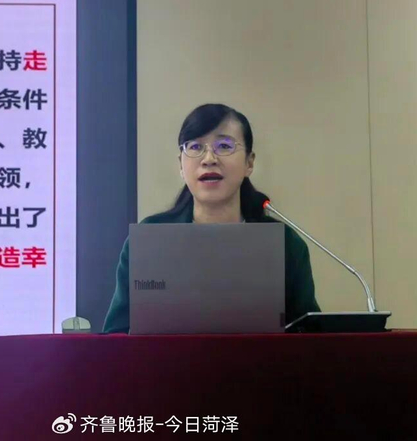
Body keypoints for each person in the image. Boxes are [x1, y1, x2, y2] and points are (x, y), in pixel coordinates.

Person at [103, 103, 320, 333]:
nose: (209, 159)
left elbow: (310, 337)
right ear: (181, 164)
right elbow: (115, 337)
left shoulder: (285, 244)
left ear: (249, 163)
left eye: (224, 146)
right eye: (195, 147)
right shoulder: (149, 241)